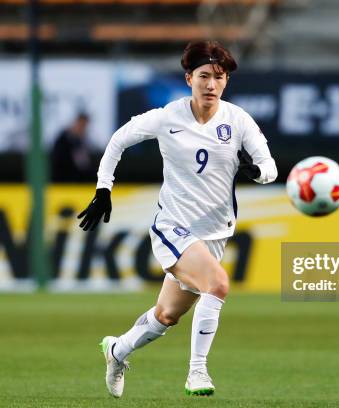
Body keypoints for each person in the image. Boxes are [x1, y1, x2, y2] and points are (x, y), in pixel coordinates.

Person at [77, 40, 277, 398]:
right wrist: (103, 189)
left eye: (219, 77)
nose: (211, 84)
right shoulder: (168, 117)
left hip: (215, 233)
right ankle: (197, 372)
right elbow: (118, 140)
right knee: (217, 285)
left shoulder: (238, 120)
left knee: (166, 316)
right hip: (174, 227)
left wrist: (256, 171)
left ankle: (116, 351)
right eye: (204, 76)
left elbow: (270, 167)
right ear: (189, 79)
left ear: (226, 81)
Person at [50, 112, 95, 182]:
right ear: (76, 123)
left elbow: (85, 166)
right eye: (81, 125)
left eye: (85, 126)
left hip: (75, 184)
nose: (83, 129)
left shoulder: (80, 141)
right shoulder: (63, 139)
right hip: (62, 184)